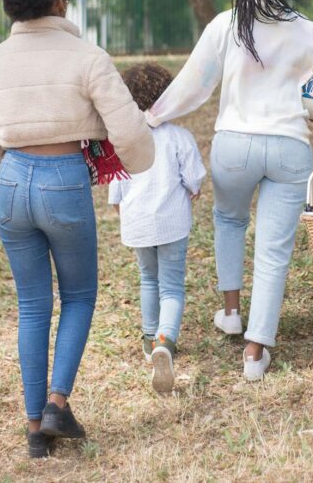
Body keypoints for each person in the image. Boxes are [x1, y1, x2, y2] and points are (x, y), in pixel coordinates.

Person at [146, 0, 313, 381]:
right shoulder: (305, 29)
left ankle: (230, 312)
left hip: (234, 146)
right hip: (289, 147)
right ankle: (255, 352)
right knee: (273, 249)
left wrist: (152, 115)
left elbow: (193, 85)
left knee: (228, 221)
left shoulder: (226, 25)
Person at [0, 0, 154, 458]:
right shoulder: (87, 57)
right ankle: (56, 404)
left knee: (31, 304)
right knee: (78, 296)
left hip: (10, 182)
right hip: (64, 179)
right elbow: (129, 132)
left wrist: (11, 163)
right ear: (59, 4)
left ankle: (34, 430)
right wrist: (136, 164)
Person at [108, 62, 206, 394]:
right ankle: (166, 340)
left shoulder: (122, 141)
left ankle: (150, 340)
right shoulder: (179, 137)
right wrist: (193, 189)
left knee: (148, 279)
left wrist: (128, 214)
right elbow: (194, 180)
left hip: (137, 224)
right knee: (172, 287)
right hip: (172, 223)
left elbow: (116, 191)